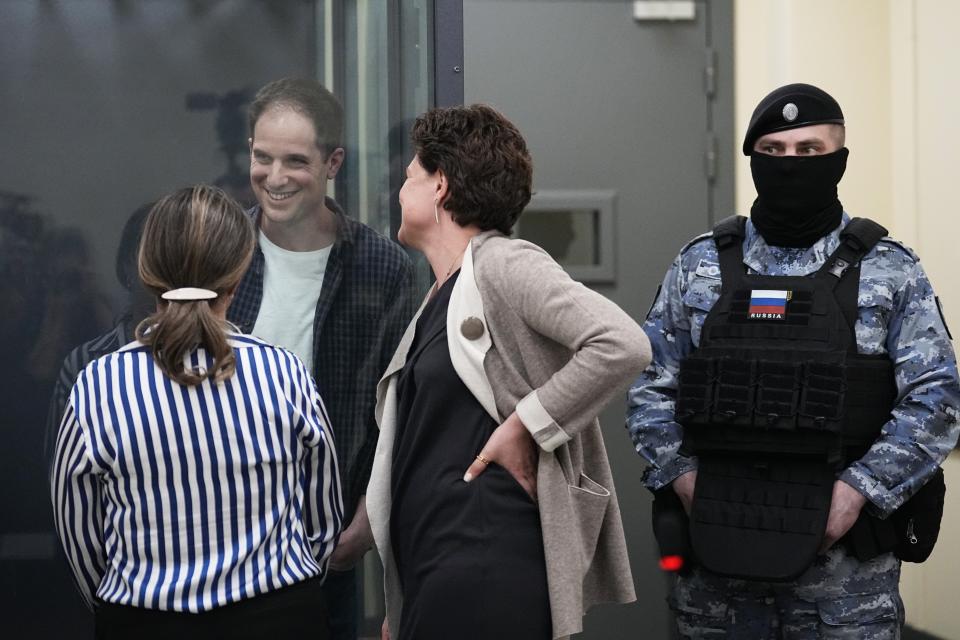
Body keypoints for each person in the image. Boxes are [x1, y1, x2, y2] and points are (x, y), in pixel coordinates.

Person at [627, 83, 960, 638]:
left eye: (809, 151)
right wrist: (686, 481)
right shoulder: (700, 264)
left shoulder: (888, 270)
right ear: (754, 160)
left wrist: (857, 493)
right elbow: (650, 386)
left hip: (847, 586)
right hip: (717, 577)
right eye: (774, 152)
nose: (790, 164)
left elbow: (937, 400)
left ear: (840, 160)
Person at [366, 104, 651, 640]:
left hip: (484, 569)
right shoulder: (444, 291)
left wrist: (525, 423)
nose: (399, 194)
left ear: (440, 186)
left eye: (409, 178)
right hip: (444, 568)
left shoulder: (504, 263)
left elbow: (623, 344)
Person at [50, 184, 343, 638]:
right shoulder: (284, 373)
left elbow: (78, 536)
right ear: (240, 273)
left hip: (143, 622)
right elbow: (324, 521)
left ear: (147, 272)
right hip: (281, 619)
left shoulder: (97, 385)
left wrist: (128, 602)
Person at [227, 78, 416, 639]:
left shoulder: (381, 267)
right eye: (263, 158)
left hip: (322, 537)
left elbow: (397, 409)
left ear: (333, 162)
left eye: (295, 161)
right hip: (216, 517)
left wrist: (366, 520)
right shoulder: (220, 248)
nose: (275, 178)